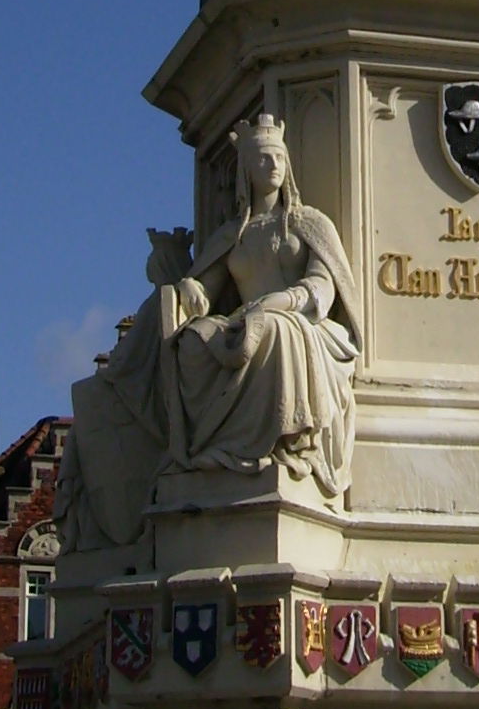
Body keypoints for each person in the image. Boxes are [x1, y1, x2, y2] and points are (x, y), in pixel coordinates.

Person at [57, 110, 360, 549]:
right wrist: (188, 287)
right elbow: (207, 284)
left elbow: (322, 288)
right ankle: (213, 458)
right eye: (262, 158)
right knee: (193, 342)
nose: (272, 165)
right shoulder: (232, 235)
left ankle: (285, 445)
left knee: (276, 331)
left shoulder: (311, 224)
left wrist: (276, 303)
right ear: (246, 170)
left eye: (278, 156)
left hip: (299, 322)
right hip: (245, 320)